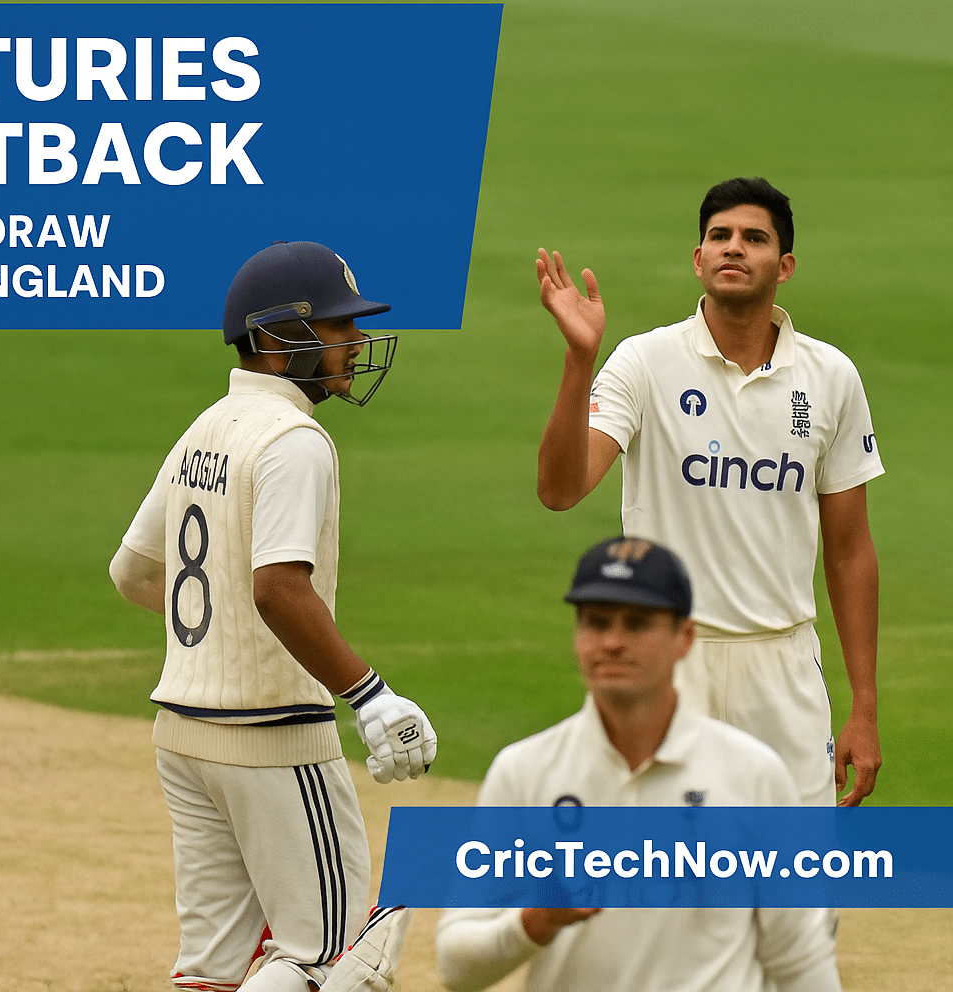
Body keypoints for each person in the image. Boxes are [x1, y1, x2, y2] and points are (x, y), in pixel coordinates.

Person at [110, 241, 437, 992]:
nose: (354, 343)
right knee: (340, 956)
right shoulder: (295, 440)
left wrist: (215, 625)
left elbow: (131, 573)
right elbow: (278, 588)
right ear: (272, 339)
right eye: (336, 327)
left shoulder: (206, 428)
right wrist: (371, 695)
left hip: (182, 732)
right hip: (272, 732)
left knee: (213, 970)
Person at [534, 177, 884, 807]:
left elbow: (851, 548)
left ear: (784, 266)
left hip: (784, 666)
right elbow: (560, 491)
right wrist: (579, 360)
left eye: (754, 238)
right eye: (719, 236)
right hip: (667, 659)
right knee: (656, 882)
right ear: (698, 260)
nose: (733, 248)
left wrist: (864, 707)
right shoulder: (642, 362)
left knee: (793, 887)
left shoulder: (832, 376)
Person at [434, 536, 841, 992]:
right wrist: (534, 923)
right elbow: (455, 965)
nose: (612, 642)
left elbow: (801, 961)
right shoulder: (525, 771)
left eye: (637, 623)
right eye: (596, 622)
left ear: (684, 638)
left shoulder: (753, 776)